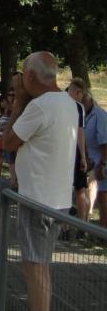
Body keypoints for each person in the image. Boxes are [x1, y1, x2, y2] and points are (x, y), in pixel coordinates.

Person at [2, 51, 78, 311]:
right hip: (57, 198)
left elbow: (8, 141)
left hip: (38, 198)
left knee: (35, 267)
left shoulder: (39, 106)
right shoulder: (69, 103)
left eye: (23, 75)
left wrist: (19, 103)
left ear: (32, 76)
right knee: (40, 266)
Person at [79, 84, 107, 227]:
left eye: (83, 100)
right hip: (93, 161)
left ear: (88, 99)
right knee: (100, 197)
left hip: (103, 161)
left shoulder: (99, 115)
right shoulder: (85, 115)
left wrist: (102, 164)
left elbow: (105, 143)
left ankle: (102, 233)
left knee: (103, 198)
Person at [66, 79, 89, 221]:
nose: (82, 97)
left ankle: (65, 226)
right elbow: (80, 131)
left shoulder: (60, 103)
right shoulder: (79, 107)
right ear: (77, 92)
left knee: (66, 188)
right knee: (80, 189)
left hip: (62, 150)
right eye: (82, 94)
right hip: (73, 151)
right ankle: (82, 225)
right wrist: (83, 156)